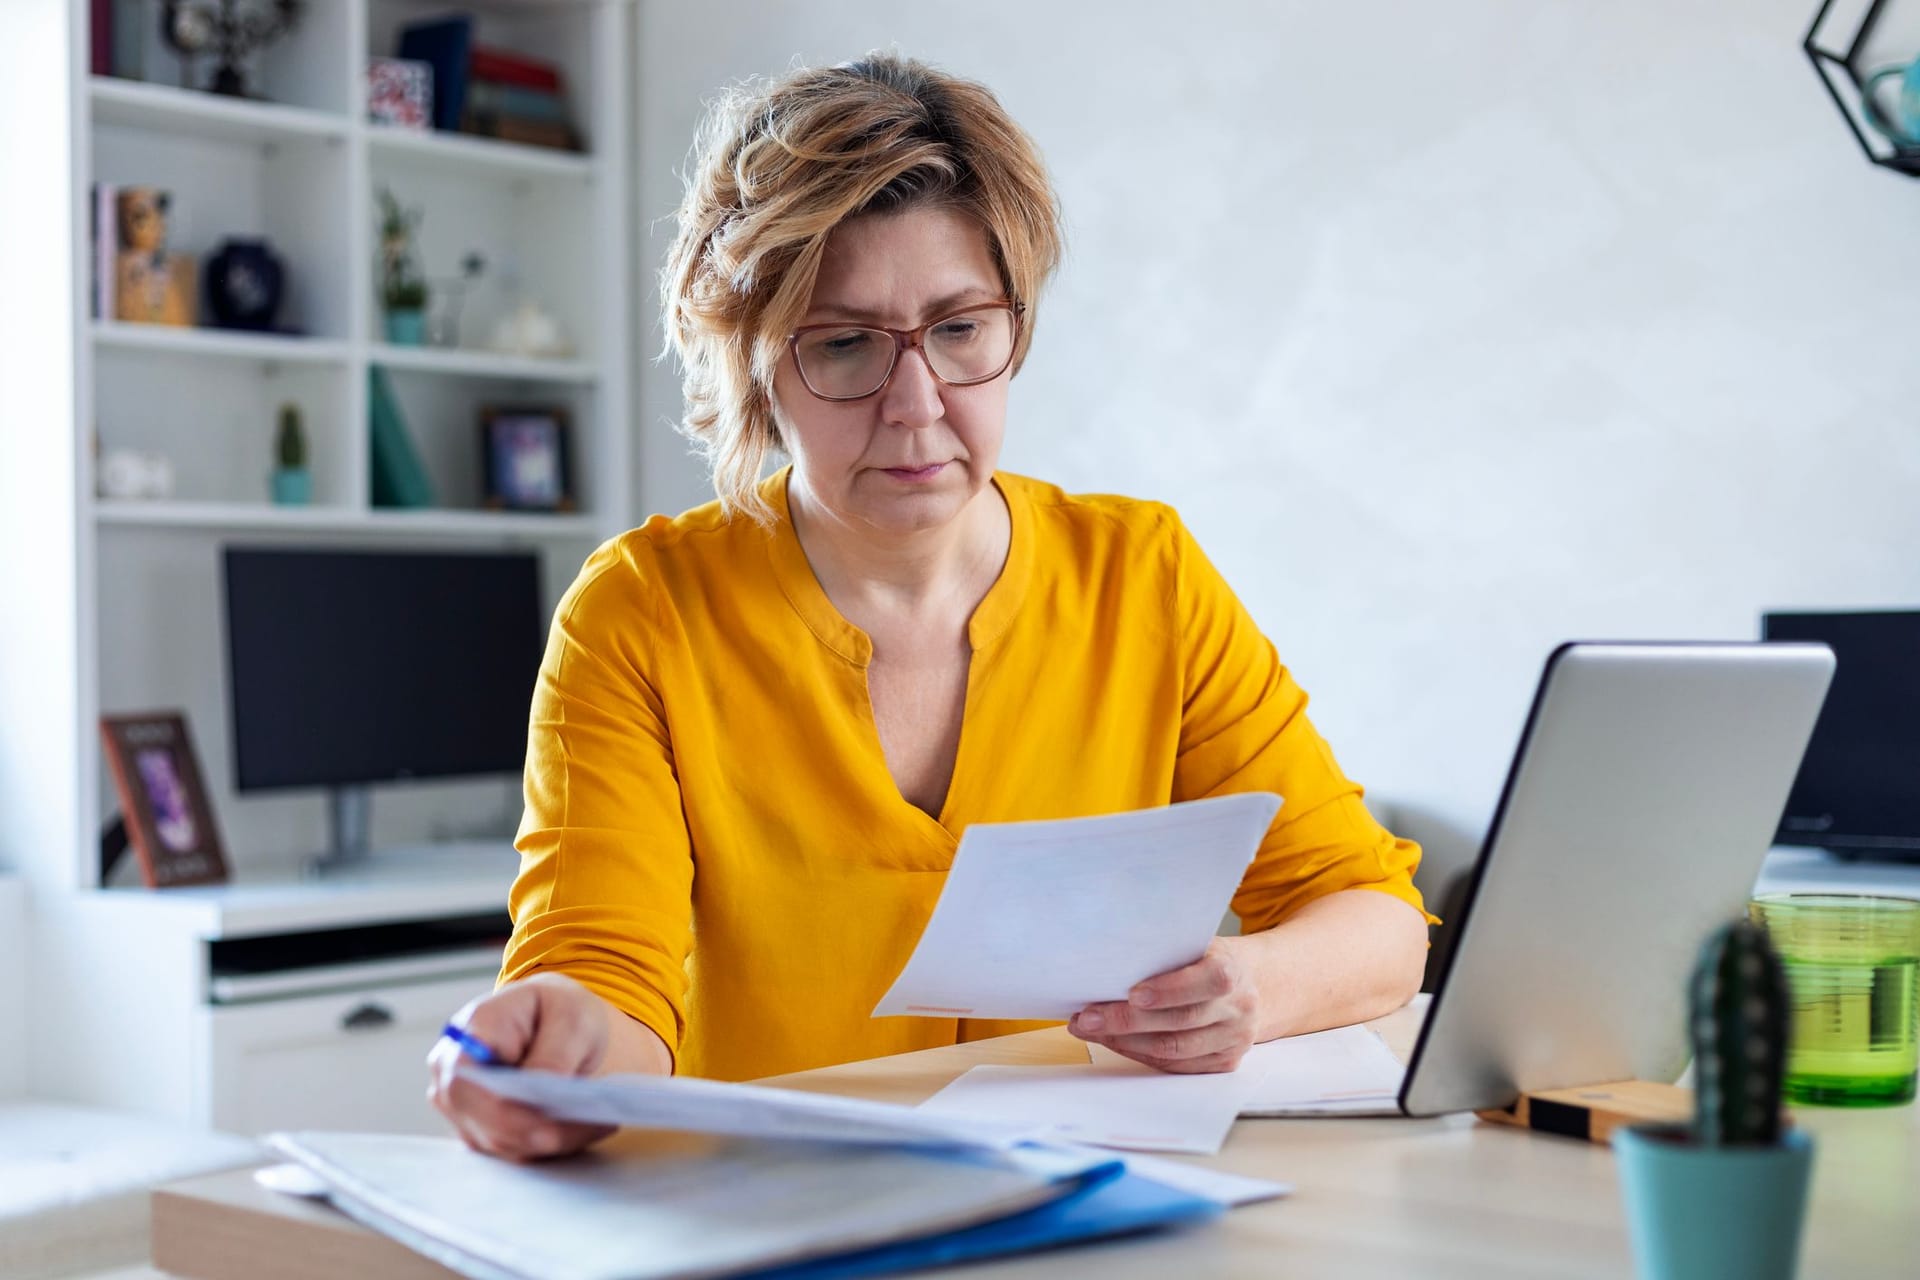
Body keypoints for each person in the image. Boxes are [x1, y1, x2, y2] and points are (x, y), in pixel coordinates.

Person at [429, 53, 1435, 1162]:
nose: (917, 406)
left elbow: (1376, 919)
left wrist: (1251, 984)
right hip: (778, 1219)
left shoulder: (1142, 576)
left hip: (1082, 1215)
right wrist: (556, 1049)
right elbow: (602, 974)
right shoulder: (640, 613)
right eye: (846, 344)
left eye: (960, 330)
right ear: (756, 364)